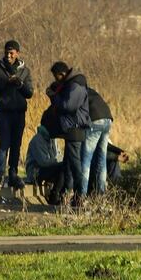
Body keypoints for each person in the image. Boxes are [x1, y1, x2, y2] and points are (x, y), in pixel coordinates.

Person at [0, 40, 34, 188]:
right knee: (4, 145)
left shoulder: (25, 71)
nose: (8, 55)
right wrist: (6, 82)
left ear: (17, 53)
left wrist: (19, 84)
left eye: (11, 53)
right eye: (6, 52)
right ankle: (0, 176)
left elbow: (29, 93)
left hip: (19, 113)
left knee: (16, 145)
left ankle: (13, 175)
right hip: (4, 113)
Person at [44, 61, 90, 205]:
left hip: (74, 128)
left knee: (75, 164)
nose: (56, 79)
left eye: (56, 76)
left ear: (62, 74)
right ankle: (66, 194)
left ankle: (80, 196)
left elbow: (67, 106)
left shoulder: (75, 85)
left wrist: (53, 96)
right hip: (72, 128)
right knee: (69, 164)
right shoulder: (71, 85)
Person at [79, 86, 114, 196]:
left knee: (86, 159)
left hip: (95, 120)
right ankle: (101, 196)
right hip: (108, 119)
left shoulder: (76, 91)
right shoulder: (90, 91)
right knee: (101, 159)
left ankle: (82, 196)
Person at [24, 125, 65, 205]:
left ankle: (59, 195)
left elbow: (58, 155)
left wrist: (62, 161)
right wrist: (59, 161)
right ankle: (54, 196)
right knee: (61, 168)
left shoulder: (53, 139)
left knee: (65, 168)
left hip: (48, 167)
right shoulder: (37, 140)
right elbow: (43, 162)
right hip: (35, 171)